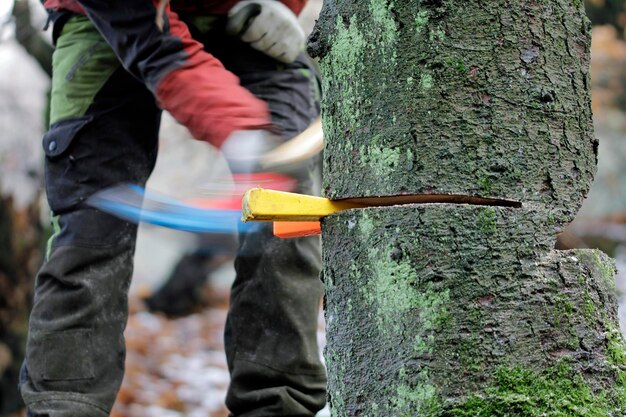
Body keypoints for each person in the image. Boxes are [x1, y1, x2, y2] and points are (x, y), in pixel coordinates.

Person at [19, 1, 327, 416]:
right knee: (89, 228)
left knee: (291, 215)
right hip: (107, 19)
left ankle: (279, 407)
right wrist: (243, 132)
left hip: (251, 14)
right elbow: (155, 45)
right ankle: (65, 408)